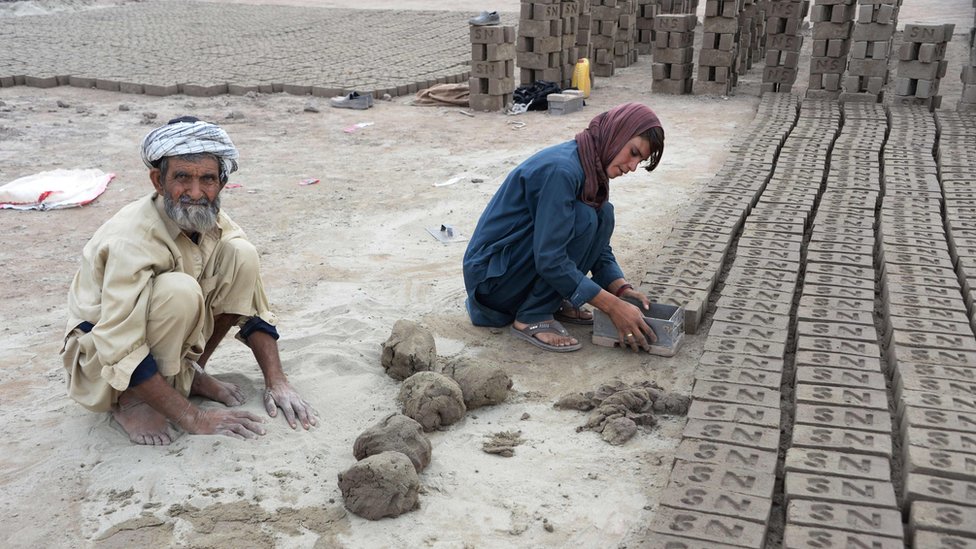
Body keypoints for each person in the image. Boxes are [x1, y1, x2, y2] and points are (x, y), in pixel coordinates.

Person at [61, 116, 317, 445]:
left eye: (207, 179)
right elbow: (118, 344)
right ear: (158, 181)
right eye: (182, 177)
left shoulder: (213, 221)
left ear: (221, 184)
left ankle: (189, 375)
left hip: (150, 346)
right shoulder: (131, 239)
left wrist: (277, 381)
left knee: (242, 255)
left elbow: (253, 307)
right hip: (101, 361)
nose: (196, 192)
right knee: (178, 292)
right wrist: (194, 418)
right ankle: (133, 401)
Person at [462, 102, 664, 353]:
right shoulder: (562, 170)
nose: (632, 166)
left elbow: (598, 246)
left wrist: (620, 289)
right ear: (617, 134)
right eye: (633, 152)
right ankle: (532, 315)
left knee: (602, 215)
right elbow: (550, 258)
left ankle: (551, 298)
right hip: (492, 281)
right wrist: (611, 306)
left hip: (514, 269)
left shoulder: (591, 170)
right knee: (585, 218)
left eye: (640, 161)